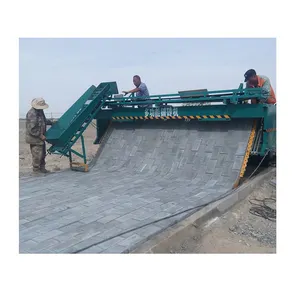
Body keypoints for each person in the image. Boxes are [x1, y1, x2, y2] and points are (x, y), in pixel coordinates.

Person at [25, 98, 54, 175]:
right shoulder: (32, 113)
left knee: (42, 153)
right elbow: (32, 129)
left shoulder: (40, 111)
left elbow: (43, 120)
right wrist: (40, 135)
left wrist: (51, 122)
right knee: (37, 155)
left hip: (40, 138)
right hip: (34, 138)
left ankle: (42, 168)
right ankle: (36, 170)